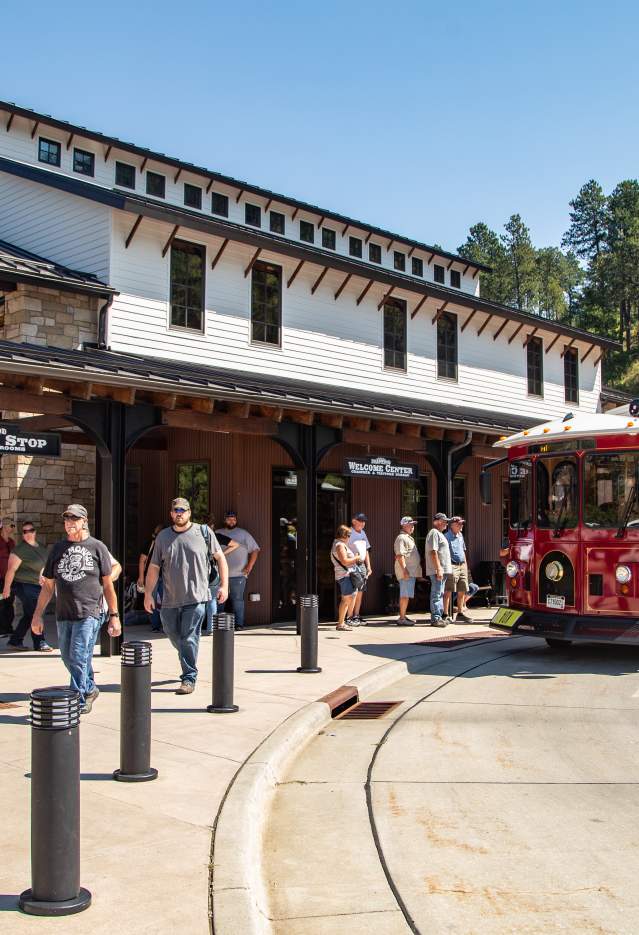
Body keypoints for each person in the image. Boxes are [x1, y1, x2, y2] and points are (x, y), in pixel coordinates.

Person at [31, 504, 121, 714]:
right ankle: (89, 688)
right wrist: (37, 616)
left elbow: (108, 585)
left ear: (84, 521)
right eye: (67, 519)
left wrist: (114, 616)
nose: (70, 523)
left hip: (89, 612)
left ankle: (78, 699)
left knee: (79, 655)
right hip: (64, 613)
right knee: (68, 657)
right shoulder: (57, 549)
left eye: (74, 519)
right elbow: (48, 586)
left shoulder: (97, 547)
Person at [145, 498, 228, 694]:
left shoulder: (203, 532)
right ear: (171, 514)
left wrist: (224, 586)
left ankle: (189, 677)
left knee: (189, 637)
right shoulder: (163, 537)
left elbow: (221, 558)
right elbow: (154, 567)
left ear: (190, 513)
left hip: (197, 597)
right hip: (169, 599)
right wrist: (148, 593)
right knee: (174, 635)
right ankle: (186, 658)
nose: (179, 513)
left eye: (183, 510)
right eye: (176, 510)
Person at [2, 521, 52, 651]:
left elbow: (45, 565)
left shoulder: (41, 547)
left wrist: (44, 576)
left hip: (38, 585)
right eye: (25, 531)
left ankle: (15, 640)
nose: (28, 533)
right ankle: (40, 642)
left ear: (35, 532)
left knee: (30, 614)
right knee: (36, 611)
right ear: (23, 534)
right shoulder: (19, 550)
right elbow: (11, 570)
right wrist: (7, 588)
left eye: (30, 530)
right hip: (23, 585)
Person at [215, 511, 260, 631]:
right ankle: (217, 624)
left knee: (237, 600)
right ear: (225, 520)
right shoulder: (218, 533)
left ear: (236, 520)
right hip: (219, 574)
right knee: (219, 599)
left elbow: (255, 550)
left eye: (233, 519)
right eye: (229, 519)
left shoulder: (244, 534)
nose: (231, 521)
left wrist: (249, 566)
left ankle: (239, 624)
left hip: (239, 574)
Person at [202, 515, 239, 635]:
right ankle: (210, 628)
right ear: (212, 526)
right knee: (212, 600)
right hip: (212, 572)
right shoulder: (215, 536)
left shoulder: (195, 536)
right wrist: (221, 554)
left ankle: (197, 627)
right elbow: (235, 544)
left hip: (198, 573)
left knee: (198, 601)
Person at [330, 524, 362, 631]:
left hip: (346, 575)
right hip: (345, 575)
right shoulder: (339, 545)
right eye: (349, 534)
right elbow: (344, 561)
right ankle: (341, 623)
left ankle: (343, 621)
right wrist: (357, 557)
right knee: (346, 599)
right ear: (343, 535)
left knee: (348, 598)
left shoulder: (339, 544)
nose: (350, 537)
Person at [393, 516, 422, 626]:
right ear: (403, 525)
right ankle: (401, 618)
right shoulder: (401, 538)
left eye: (413, 524)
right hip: (406, 572)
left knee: (406, 595)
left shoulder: (407, 537)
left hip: (410, 572)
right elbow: (400, 555)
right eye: (410, 524)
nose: (412, 527)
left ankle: (403, 615)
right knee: (404, 595)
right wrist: (404, 570)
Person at [424, 512, 452, 627]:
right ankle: (435, 618)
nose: (446, 523)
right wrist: (438, 569)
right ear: (438, 521)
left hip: (443, 570)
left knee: (439, 593)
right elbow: (433, 552)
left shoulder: (440, 533)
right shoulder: (434, 532)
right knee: (437, 593)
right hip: (438, 570)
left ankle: (439, 617)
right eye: (444, 521)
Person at [444, 516, 473, 623]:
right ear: (452, 525)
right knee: (448, 590)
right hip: (452, 565)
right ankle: (445, 614)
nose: (461, 525)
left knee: (462, 590)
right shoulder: (446, 536)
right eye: (459, 524)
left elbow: (463, 550)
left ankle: (460, 613)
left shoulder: (460, 535)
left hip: (462, 565)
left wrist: (465, 565)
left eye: (462, 523)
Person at [347, 512, 372, 626]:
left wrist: (369, 566)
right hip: (352, 564)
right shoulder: (348, 533)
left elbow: (366, 550)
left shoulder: (363, 533)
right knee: (354, 592)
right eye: (360, 521)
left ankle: (356, 615)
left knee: (361, 591)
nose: (363, 523)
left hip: (362, 564)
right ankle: (349, 617)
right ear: (354, 521)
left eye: (364, 521)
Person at [0, 516, 16, 636]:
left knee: (9, 603)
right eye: (12, 525)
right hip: (0, 579)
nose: (13, 528)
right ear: (4, 526)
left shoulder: (11, 542)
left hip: (10, 579)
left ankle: (8, 628)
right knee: (1, 603)